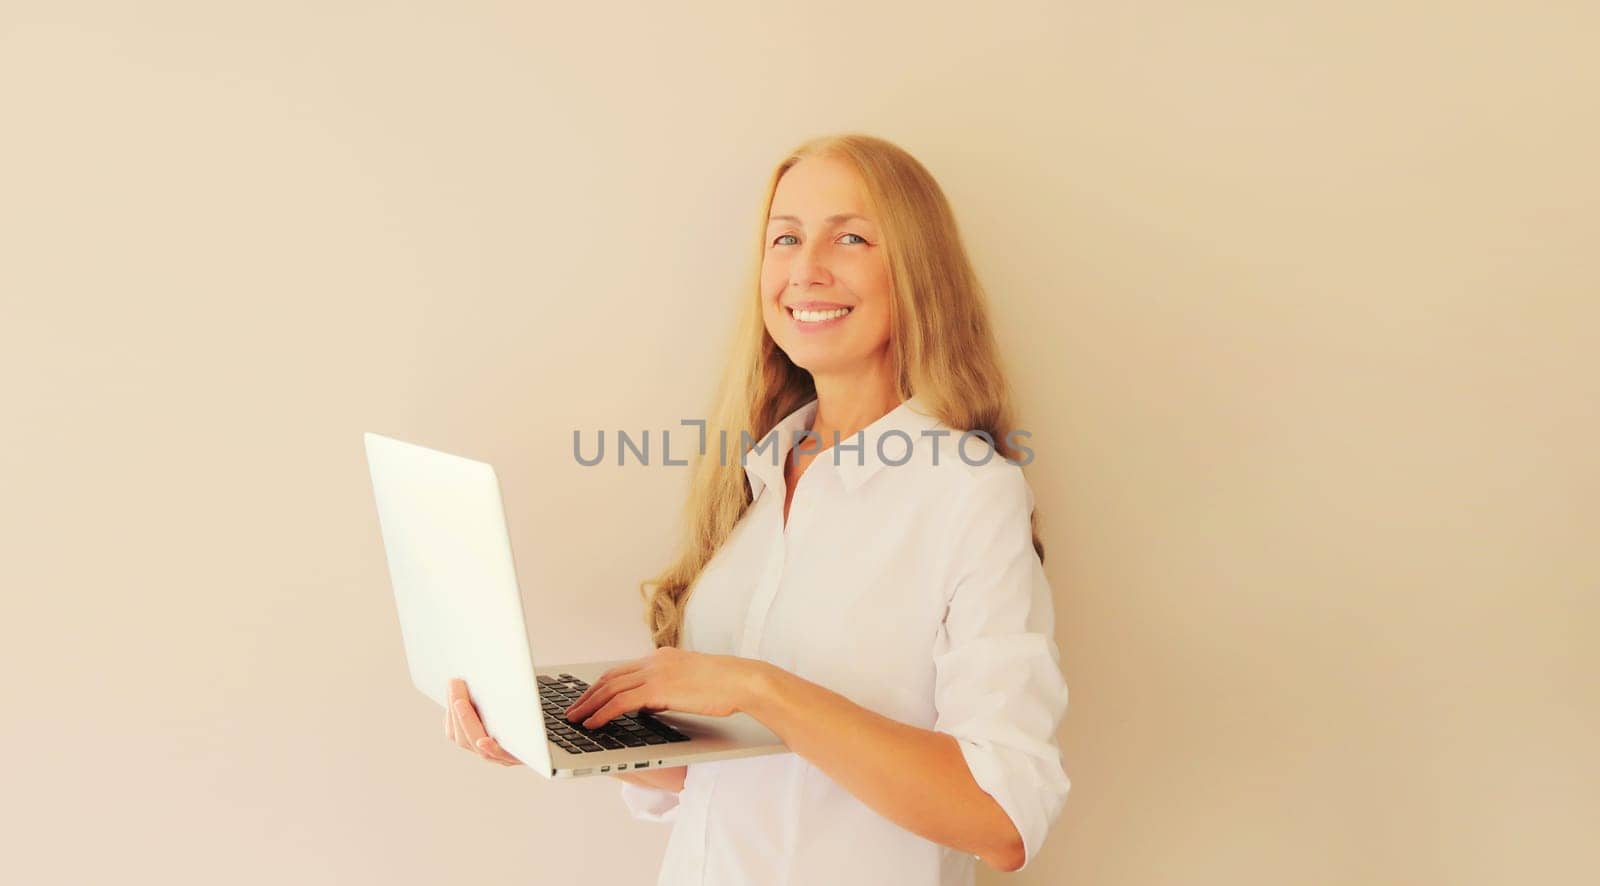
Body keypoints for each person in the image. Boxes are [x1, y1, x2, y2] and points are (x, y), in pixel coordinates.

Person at [443, 133, 1070, 884]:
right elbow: (736, 787)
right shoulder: (753, 479)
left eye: (850, 237)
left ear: (916, 272)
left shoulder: (968, 492)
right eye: (786, 238)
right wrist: (560, 737)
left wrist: (758, 688)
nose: (807, 269)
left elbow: (999, 821)